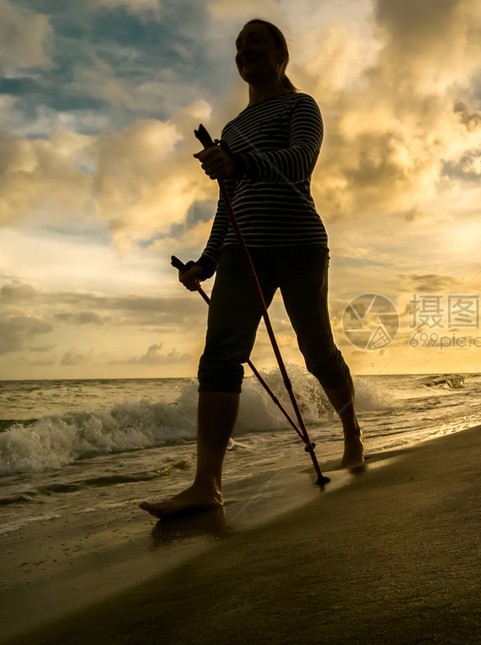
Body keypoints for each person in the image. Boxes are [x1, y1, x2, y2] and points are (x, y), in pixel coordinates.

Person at [140, 19, 363, 519]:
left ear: (282, 52)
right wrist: (206, 261)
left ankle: (353, 434)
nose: (245, 51)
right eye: (239, 47)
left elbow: (300, 162)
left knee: (317, 352)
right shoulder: (232, 130)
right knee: (220, 355)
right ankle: (207, 485)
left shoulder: (301, 106)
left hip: (301, 244)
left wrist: (240, 162)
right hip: (245, 251)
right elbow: (228, 205)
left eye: (255, 41)